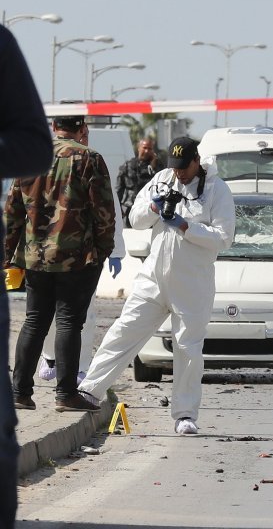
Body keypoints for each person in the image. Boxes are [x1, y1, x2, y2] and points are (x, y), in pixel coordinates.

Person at [78, 137, 235, 435]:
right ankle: (90, 390)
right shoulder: (163, 178)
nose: (179, 174)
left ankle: (185, 415)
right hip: (154, 277)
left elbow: (223, 237)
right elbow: (135, 219)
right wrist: (154, 206)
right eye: (174, 167)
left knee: (188, 348)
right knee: (124, 330)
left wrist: (185, 225)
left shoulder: (217, 189)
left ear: (197, 160)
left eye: (184, 167)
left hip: (192, 283)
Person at [6, 112, 116, 415]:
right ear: (82, 128)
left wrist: (7, 254)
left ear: (54, 128)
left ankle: (20, 392)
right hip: (76, 257)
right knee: (69, 322)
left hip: (35, 257)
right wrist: (104, 249)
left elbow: (12, 210)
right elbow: (103, 210)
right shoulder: (89, 159)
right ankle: (66, 394)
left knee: (34, 321)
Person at [0, 23, 53, 529]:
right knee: (50, 323)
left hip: (50, 258)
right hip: (54, 258)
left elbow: (32, 149)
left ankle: (27, 388)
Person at [38, 137, 127, 384]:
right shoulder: (45, 164)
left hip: (84, 256)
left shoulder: (94, 164)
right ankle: (50, 357)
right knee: (48, 313)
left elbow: (112, 210)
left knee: (84, 315)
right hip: (49, 253)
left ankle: (79, 366)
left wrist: (115, 250)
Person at [117, 138, 163, 227]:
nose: (147, 151)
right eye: (144, 148)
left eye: (150, 149)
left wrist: (153, 166)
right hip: (132, 209)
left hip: (151, 210)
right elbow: (119, 189)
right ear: (139, 148)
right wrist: (118, 209)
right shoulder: (127, 166)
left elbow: (162, 185)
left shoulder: (158, 166)